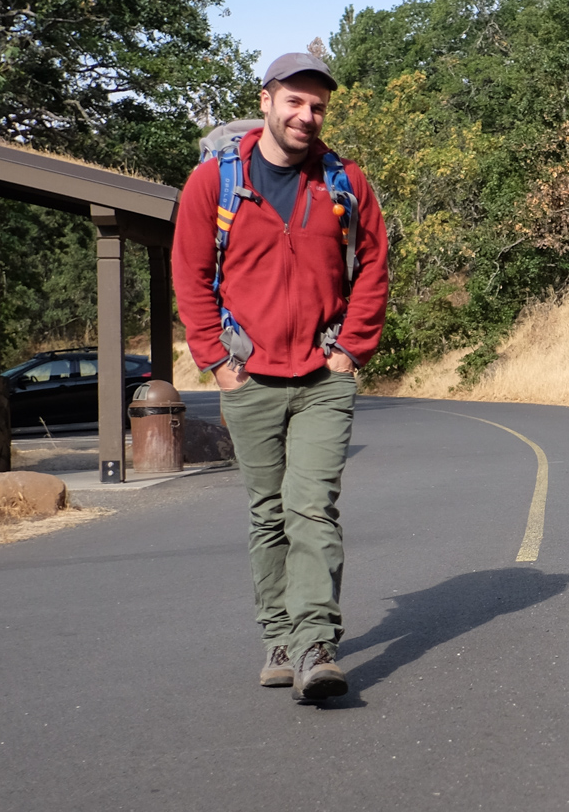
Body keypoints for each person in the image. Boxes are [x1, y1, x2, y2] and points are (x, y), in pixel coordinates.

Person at [172, 51, 389, 701]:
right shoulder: (214, 183)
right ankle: (279, 635)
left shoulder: (345, 182)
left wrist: (351, 351)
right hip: (251, 376)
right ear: (266, 101)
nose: (307, 114)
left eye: (317, 105)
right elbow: (190, 275)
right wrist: (215, 361)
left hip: (323, 375)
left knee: (311, 506)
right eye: (294, 101)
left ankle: (315, 643)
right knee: (268, 513)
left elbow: (373, 266)